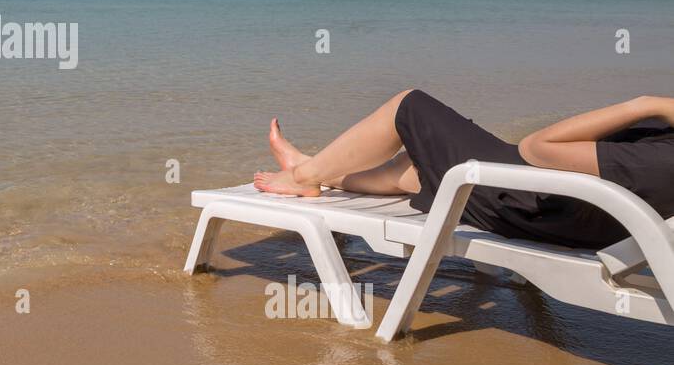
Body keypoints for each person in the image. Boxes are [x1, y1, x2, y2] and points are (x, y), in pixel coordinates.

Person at [254, 90, 674, 250]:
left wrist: (646, 105)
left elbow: (537, 147)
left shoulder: (664, 162)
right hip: (551, 201)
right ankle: (315, 173)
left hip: (524, 203)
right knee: (417, 167)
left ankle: (303, 177)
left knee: (410, 107)